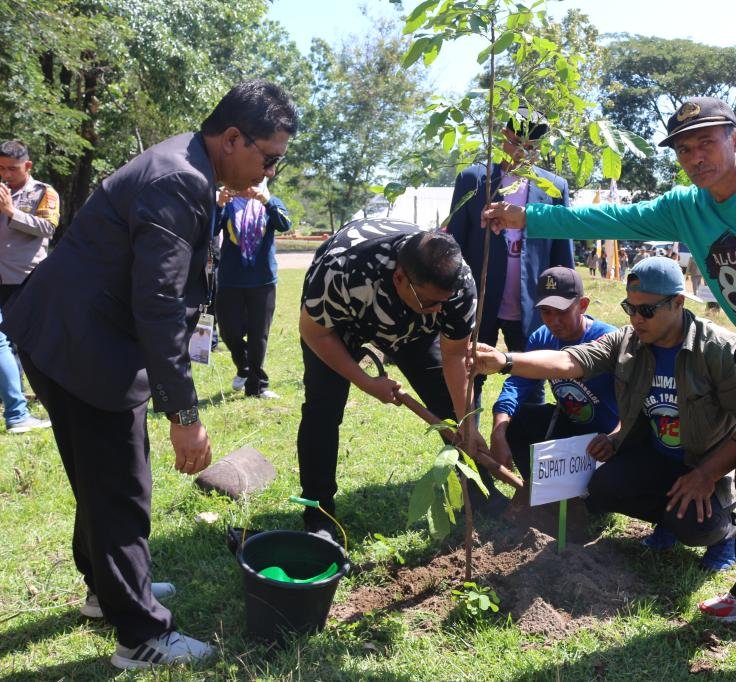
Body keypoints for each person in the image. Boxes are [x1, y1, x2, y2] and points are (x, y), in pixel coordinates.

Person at [482, 96, 736, 681]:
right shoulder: (687, 208)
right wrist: (528, 218)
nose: (696, 157)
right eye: (684, 149)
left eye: (707, 143)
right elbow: (611, 219)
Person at [1, 79, 297, 669]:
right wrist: (184, 415)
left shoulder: (188, 164)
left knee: (103, 476)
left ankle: (105, 589)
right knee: (120, 486)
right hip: (84, 346)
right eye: (269, 159)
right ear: (232, 138)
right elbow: (158, 304)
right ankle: (141, 635)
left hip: (75, 334)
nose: (268, 175)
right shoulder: (178, 180)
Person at [475, 257, 736, 570]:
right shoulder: (628, 341)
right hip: (655, 456)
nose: (637, 319)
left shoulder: (717, 350)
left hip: (704, 463)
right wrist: (505, 361)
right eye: (630, 308)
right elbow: (571, 361)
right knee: (602, 487)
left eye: (647, 310)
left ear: (678, 303)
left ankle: (728, 534)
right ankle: (667, 521)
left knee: (696, 526)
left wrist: (707, 474)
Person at [297, 218, 495, 537]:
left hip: (413, 330)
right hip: (342, 323)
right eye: (430, 302)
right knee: (323, 409)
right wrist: (366, 382)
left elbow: (455, 356)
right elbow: (315, 332)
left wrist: (466, 423)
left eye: (443, 303)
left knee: (448, 403)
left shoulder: (457, 285)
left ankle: (480, 494)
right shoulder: (343, 270)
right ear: (400, 278)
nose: (438, 311)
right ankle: (318, 514)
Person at [446, 105, 574, 406]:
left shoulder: (554, 188)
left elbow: (562, 253)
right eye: (516, 143)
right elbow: (454, 245)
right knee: (470, 378)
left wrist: (565, 301)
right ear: (503, 136)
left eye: (531, 148)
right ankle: (468, 433)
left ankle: (524, 434)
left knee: (531, 383)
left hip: (531, 305)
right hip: (479, 303)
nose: (522, 153)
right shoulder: (474, 180)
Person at [488, 266, 619, 483]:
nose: (553, 321)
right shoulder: (542, 338)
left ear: (583, 305)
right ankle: (542, 488)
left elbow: (636, 405)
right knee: (515, 422)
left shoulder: (608, 340)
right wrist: (498, 432)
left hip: (608, 437)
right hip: (571, 425)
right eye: (546, 312)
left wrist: (615, 437)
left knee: (602, 492)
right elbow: (518, 384)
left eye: (562, 311)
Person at [0, 140, 58, 433]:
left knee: (29, 344)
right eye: (1, 168)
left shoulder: (43, 192)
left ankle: (50, 400)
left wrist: (11, 211)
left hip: (26, 279)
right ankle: (16, 410)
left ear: (28, 166)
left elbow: (48, 227)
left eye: (12, 168)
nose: (6, 174)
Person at [214, 180, 291, 398]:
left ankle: (257, 386)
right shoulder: (227, 204)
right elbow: (210, 230)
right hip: (230, 280)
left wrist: (267, 201)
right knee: (229, 332)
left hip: (263, 280)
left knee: (259, 335)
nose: (248, 187)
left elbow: (285, 225)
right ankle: (244, 367)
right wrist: (218, 205)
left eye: (254, 182)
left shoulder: (271, 202)